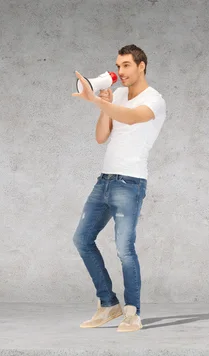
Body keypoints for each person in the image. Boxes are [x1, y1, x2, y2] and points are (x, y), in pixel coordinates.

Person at [71, 44, 167, 332]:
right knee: (82, 240)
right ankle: (108, 304)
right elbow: (102, 136)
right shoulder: (119, 95)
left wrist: (96, 101)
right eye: (118, 65)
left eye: (126, 65)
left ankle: (132, 312)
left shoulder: (155, 100)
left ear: (142, 66)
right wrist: (103, 105)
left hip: (130, 182)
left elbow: (130, 117)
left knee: (125, 249)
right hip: (105, 181)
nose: (120, 71)